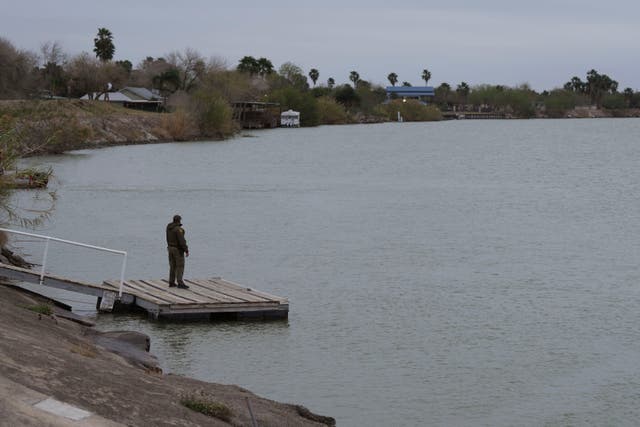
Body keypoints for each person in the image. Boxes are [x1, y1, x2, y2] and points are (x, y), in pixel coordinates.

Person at [166, 214, 189, 289]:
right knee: (180, 266)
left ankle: (171, 282)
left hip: (170, 248)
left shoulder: (168, 227)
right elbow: (182, 241)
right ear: (179, 220)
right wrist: (186, 250)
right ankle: (180, 283)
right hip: (177, 250)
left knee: (172, 266)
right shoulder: (178, 230)